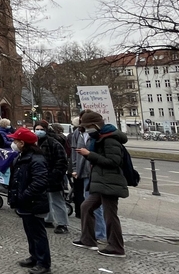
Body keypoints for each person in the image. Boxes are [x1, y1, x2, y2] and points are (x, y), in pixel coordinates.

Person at [72, 110, 128, 258]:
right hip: (101, 181)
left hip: (110, 182)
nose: (85, 129)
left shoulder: (110, 139)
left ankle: (116, 246)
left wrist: (89, 155)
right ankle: (88, 239)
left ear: (95, 125)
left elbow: (113, 162)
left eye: (87, 126)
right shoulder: (100, 137)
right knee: (86, 206)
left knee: (110, 214)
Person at [8, 127, 52, 274]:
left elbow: (40, 182)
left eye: (15, 140)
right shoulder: (22, 156)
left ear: (22, 143)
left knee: (38, 233)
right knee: (30, 232)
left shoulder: (36, 159)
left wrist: (24, 195)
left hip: (33, 201)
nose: (13, 143)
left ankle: (43, 263)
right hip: (26, 201)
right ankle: (34, 256)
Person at [70, 115, 105, 241]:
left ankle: (99, 233)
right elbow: (74, 152)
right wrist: (74, 169)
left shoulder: (97, 135)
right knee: (87, 203)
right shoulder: (77, 134)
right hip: (82, 172)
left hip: (94, 173)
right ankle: (91, 233)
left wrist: (89, 155)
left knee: (94, 204)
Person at [35, 119, 71, 234]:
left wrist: (55, 175)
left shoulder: (53, 143)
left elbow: (61, 161)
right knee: (46, 199)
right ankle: (48, 219)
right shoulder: (36, 142)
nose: (39, 131)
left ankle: (62, 223)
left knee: (56, 200)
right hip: (41, 175)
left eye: (41, 129)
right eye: (37, 129)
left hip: (52, 175)